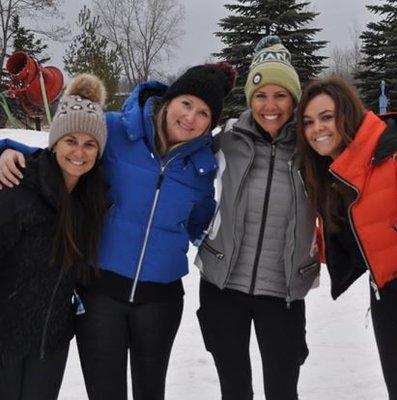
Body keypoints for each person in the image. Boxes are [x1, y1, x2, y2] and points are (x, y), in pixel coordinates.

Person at [0, 63, 236, 400]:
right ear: (169, 101)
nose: (191, 117)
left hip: (160, 300)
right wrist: (6, 148)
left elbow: (202, 224)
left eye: (203, 113)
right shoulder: (115, 131)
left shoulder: (202, 169)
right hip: (100, 295)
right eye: (186, 103)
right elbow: (62, 154)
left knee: (150, 392)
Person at [195, 36, 319, 400]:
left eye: (281, 95)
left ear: (294, 99)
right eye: (261, 94)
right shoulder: (227, 138)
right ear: (250, 97)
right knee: (234, 391)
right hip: (223, 286)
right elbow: (172, 149)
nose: (270, 106)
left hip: (282, 292)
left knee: (282, 392)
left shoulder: (311, 148)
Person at [0, 73, 107, 400]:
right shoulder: (19, 187)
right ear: (55, 142)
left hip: (51, 344)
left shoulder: (92, 201)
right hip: (5, 341)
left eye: (90, 144)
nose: (80, 152)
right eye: (70, 141)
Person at [297, 75, 397, 400]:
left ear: (347, 114)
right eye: (309, 122)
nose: (318, 129)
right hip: (385, 297)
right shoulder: (336, 175)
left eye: (326, 117)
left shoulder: (391, 153)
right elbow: (352, 239)